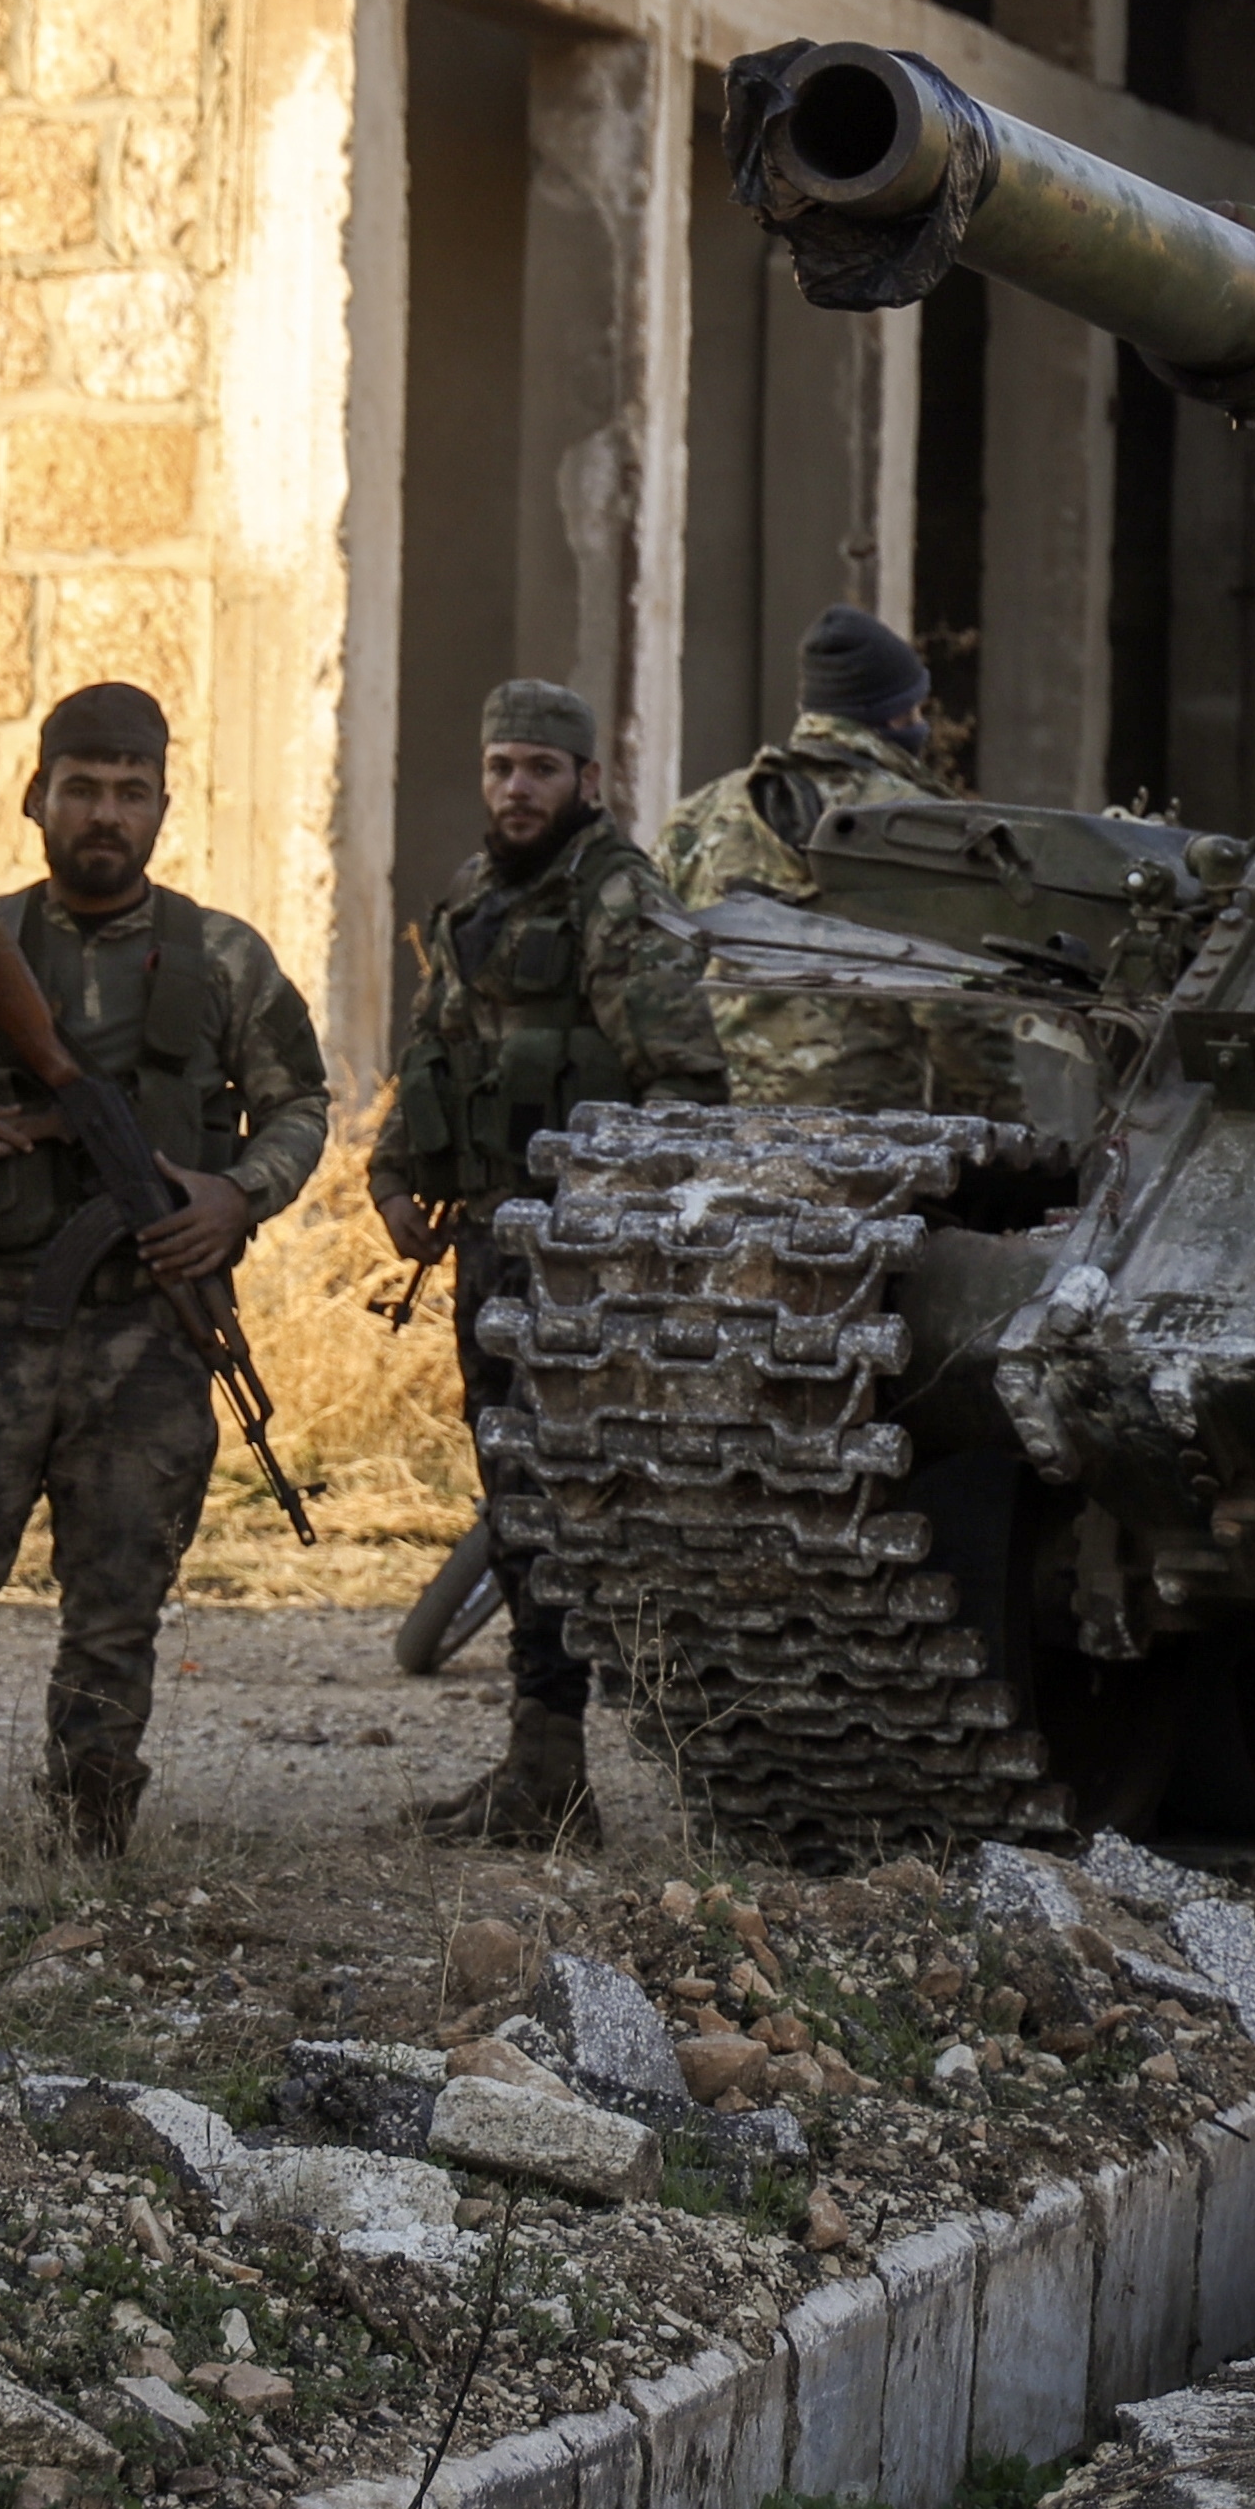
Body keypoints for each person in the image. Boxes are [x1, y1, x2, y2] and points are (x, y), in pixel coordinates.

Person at [0, 681, 329, 1861]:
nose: (105, 813)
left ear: (163, 807)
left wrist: (235, 1192)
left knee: (116, 1614)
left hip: (151, 1331)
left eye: (130, 792)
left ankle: (88, 1847)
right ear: (36, 796)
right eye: (82, 788)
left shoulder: (222, 959)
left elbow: (301, 1103)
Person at [374, 678, 733, 1849]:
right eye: (499, 768)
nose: (516, 789)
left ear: (587, 780)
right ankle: (543, 1766)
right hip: (490, 1244)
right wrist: (391, 1177)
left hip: (580, 1259)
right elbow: (435, 1044)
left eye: (539, 768)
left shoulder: (619, 901)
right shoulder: (479, 894)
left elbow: (686, 1090)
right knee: (513, 1502)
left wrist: (618, 1231)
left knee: (579, 1508)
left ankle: (612, 1763)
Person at [655, 610, 1027, 1113]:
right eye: (915, 711)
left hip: (723, 1131)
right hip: (866, 1142)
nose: (920, 726)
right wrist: (997, 1126)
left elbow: (657, 981)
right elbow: (957, 1009)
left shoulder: (696, 817)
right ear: (892, 715)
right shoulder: (916, 824)